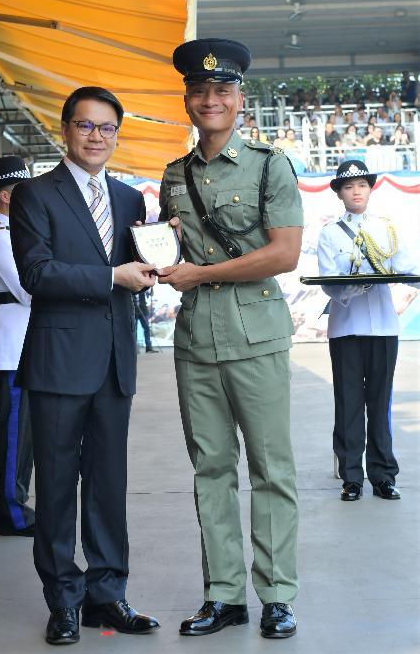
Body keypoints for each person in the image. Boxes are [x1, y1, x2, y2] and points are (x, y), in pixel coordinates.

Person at [158, 39, 303, 640]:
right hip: (196, 341)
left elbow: (284, 253)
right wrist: (162, 252)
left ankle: (275, 594)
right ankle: (224, 595)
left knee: (272, 470)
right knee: (210, 470)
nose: (210, 99)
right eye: (199, 90)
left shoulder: (270, 164)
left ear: (241, 99)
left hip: (258, 335)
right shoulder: (173, 174)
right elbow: (173, 251)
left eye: (222, 90)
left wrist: (200, 273)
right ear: (188, 100)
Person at [10, 86, 160, 645]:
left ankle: (108, 595)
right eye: (85, 126)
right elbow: (37, 274)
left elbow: (140, 264)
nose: (96, 137)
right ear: (65, 130)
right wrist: (111, 278)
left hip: (114, 360)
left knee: (107, 485)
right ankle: (63, 600)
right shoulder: (34, 195)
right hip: (58, 360)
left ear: (116, 134)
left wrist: (156, 270)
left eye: (106, 128)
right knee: (54, 488)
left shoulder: (128, 199)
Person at [317, 160, 419, 502]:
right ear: (339, 193)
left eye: (361, 185)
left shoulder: (387, 229)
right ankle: (351, 477)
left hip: (384, 327)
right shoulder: (331, 233)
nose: (356, 191)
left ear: (370, 189)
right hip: (346, 327)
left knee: (380, 402)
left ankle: (383, 475)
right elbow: (329, 283)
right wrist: (355, 286)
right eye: (348, 187)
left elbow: (405, 267)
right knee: (348, 402)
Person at [0, 156, 35, 536]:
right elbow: (29, 289)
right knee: (13, 436)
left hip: (26, 344)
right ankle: (10, 513)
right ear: (4, 196)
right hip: (12, 347)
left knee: (25, 436)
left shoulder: (18, 233)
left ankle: (17, 505)